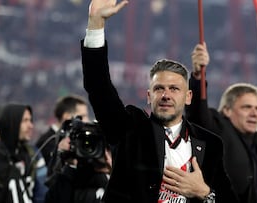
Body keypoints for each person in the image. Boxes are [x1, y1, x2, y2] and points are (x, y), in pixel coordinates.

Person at [80, 0, 237, 202]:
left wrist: (204, 193)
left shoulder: (210, 144)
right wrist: (95, 25)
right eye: (159, 88)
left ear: (188, 97)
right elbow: (98, 87)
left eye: (174, 89)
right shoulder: (130, 130)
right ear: (148, 96)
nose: (166, 95)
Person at [186, 43, 257, 203]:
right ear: (227, 110)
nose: (254, 113)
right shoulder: (219, 128)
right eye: (246, 107)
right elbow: (198, 114)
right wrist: (197, 76)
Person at [0, 103, 48, 203]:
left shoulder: (34, 154)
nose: (31, 125)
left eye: (30, 120)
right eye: (25, 121)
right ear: (11, 123)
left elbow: (41, 195)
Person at [44, 120, 113, 203]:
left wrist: (113, 172)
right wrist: (63, 159)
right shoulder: (70, 178)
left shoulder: (116, 180)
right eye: (84, 144)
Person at [35, 94, 90, 167]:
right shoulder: (46, 142)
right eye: (82, 116)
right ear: (67, 117)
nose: (87, 120)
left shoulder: (79, 138)